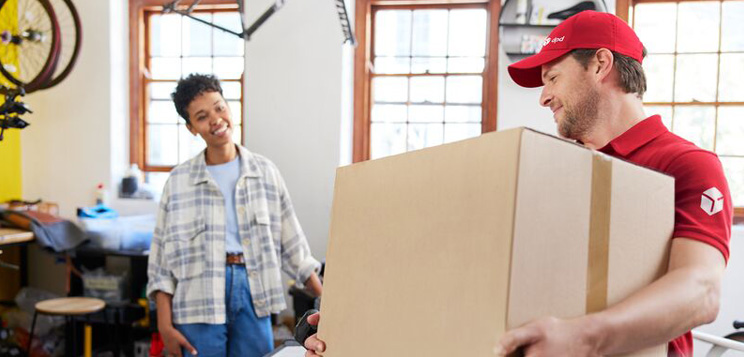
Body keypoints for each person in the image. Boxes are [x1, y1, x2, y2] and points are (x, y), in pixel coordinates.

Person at [303, 11, 732, 357]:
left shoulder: (686, 165)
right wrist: (356, 330)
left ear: (600, 64)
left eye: (552, 78)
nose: (543, 97)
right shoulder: (552, 173)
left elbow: (701, 292)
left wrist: (582, 338)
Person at [147, 73, 323, 357]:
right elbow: (160, 265)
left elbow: (293, 247)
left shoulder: (265, 172)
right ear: (191, 127)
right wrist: (164, 325)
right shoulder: (178, 182)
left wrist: (327, 301)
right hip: (196, 299)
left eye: (219, 107)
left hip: (254, 293)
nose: (215, 119)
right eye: (202, 116)